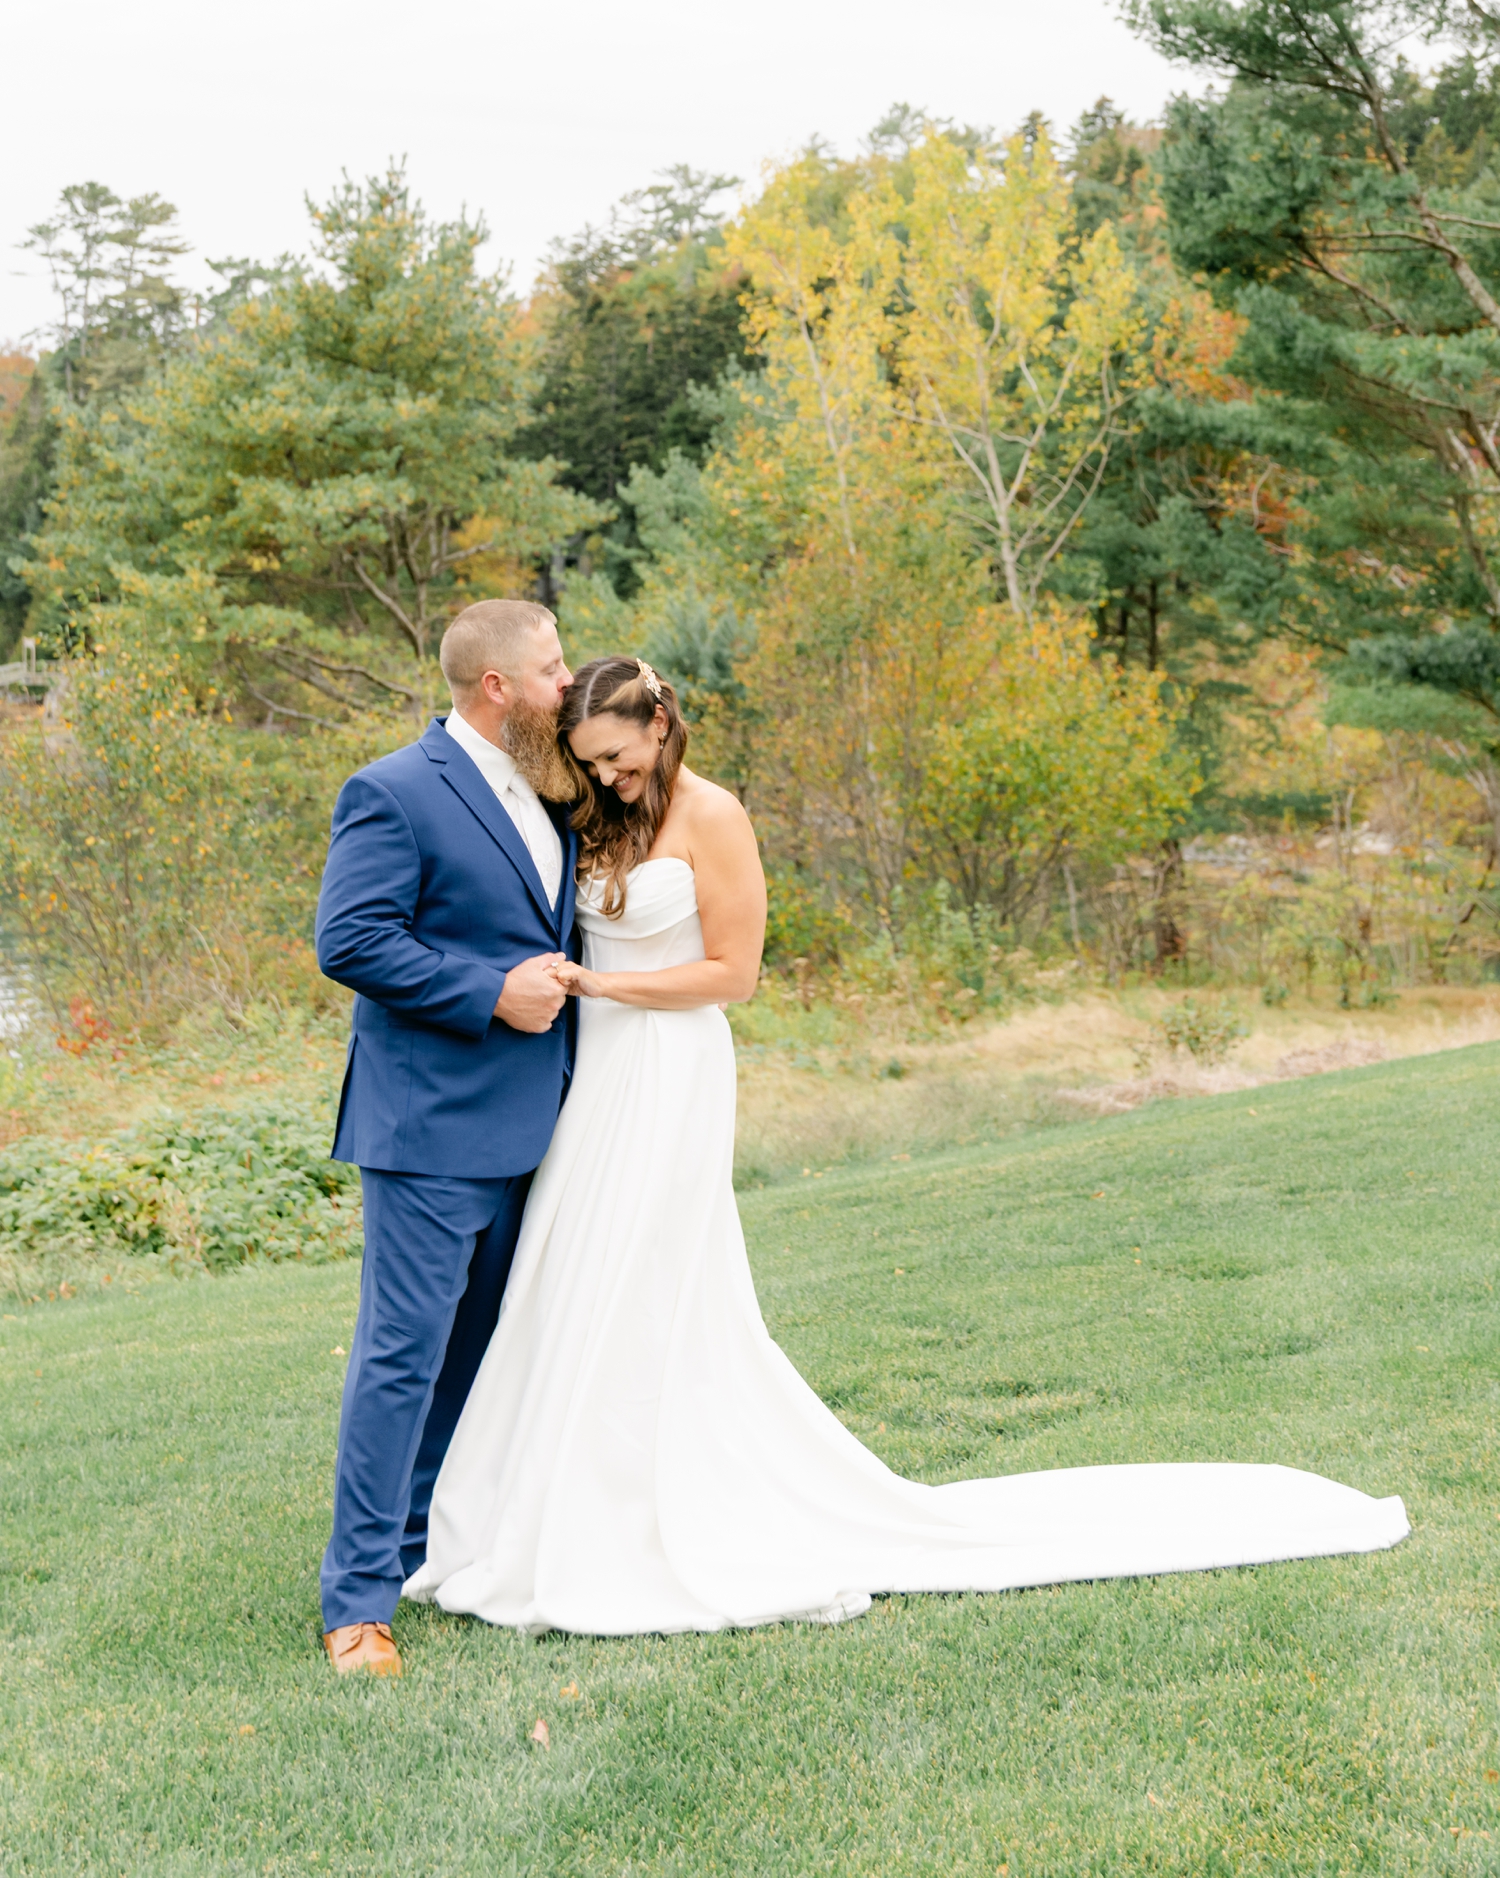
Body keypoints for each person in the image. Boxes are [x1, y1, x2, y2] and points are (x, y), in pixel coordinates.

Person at [405, 657, 1409, 1636]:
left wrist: (603, 988)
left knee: (652, 1273)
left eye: (620, 758)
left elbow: (734, 974)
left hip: (671, 1068)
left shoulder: (714, 815)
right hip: (599, 1079)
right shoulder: (600, 816)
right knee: (574, 1274)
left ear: (661, 724)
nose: (611, 778)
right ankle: (561, 1500)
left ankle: (655, 1507)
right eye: (594, 764)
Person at [313, 599, 580, 1676]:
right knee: (402, 1362)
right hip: (428, 1129)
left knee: (482, 1360)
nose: (571, 681)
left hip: (543, 1128)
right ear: (497, 688)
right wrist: (489, 991)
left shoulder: (556, 787)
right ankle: (357, 1604)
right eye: (554, 667)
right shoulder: (392, 791)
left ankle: (435, 1550)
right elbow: (351, 938)